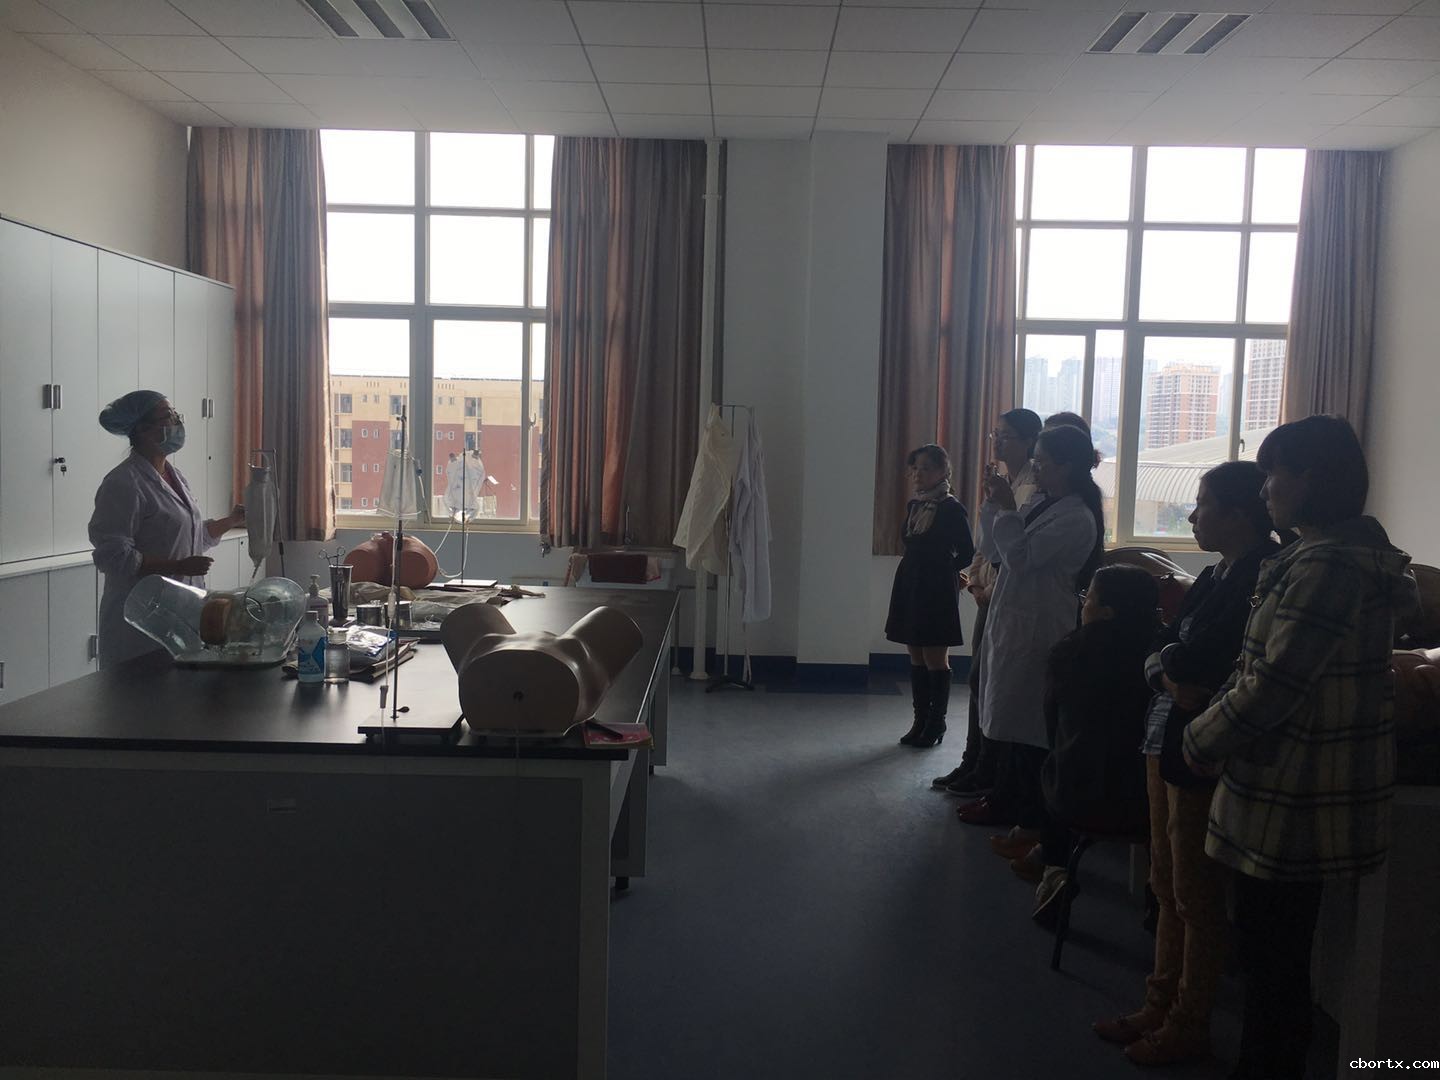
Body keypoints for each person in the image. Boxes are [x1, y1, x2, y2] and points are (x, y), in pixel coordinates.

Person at [1182, 416, 1414, 1080]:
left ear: (1310, 478)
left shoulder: (1328, 566)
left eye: (1272, 474)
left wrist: (1200, 737)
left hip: (1294, 790)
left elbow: (1274, 683)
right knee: (1274, 959)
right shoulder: (1326, 556)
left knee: (1273, 964)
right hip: (1299, 784)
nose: (1265, 491)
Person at [1094, 461, 1283, 1067]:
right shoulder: (1213, 575)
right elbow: (1163, 649)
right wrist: (1170, 673)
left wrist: (1174, 664)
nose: (1193, 516)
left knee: (1195, 894)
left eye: (1203, 504)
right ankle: (1158, 1001)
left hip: (1203, 749)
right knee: (1165, 880)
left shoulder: (1263, 575)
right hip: (1166, 736)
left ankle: (1188, 1020)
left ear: (1239, 513)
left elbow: (1207, 660)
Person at [957, 422, 1104, 828]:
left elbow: (1021, 558)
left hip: (1039, 626)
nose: (1035, 469)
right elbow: (996, 550)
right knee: (1003, 710)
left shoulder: (1076, 517)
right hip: (1013, 619)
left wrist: (1007, 510)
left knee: (1025, 722)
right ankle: (1003, 796)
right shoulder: (1043, 503)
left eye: (1042, 463)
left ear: (1067, 466)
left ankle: (1023, 809)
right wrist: (994, 506)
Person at [1022, 565, 1157, 926]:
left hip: (1078, 799)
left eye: (1089, 598)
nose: (1083, 604)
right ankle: (1156, 896)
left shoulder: (1071, 654)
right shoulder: (1160, 659)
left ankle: (1054, 871)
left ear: (1107, 612)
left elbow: (1054, 729)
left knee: (1057, 764)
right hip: (1149, 801)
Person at [88, 390, 245, 668]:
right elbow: (113, 556)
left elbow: (190, 536)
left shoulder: (174, 476)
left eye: (175, 415)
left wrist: (232, 520)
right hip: (139, 620)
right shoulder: (123, 483)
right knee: (142, 691)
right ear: (142, 429)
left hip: (181, 611)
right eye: (167, 417)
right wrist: (178, 566)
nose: (176, 422)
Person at [932, 408, 1042, 796]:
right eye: (995, 434)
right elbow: (987, 544)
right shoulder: (1006, 482)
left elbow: (1016, 550)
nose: (997, 442)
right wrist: (977, 582)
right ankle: (973, 760)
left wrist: (989, 587)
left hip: (1008, 595)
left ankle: (987, 768)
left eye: (1006, 436)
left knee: (989, 681)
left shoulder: (1034, 486)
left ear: (1030, 441)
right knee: (979, 681)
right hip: (989, 592)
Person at [885, 444, 976, 749]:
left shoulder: (951, 508)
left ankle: (937, 722)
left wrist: (945, 572)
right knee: (915, 652)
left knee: (934, 655)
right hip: (911, 582)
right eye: (915, 468)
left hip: (936, 588)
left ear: (942, 471)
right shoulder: (915, 505)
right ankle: (920, 720)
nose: (918, 474)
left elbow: (967, 551)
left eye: (925, 468)